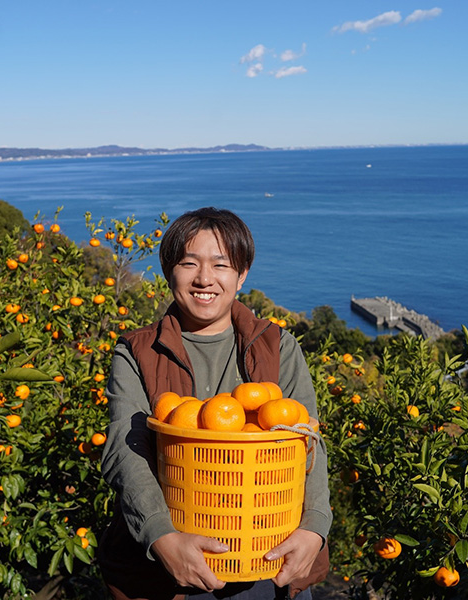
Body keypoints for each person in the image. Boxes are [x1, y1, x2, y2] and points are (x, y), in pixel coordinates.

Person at [99, 207, 331, 600]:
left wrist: (314, 528)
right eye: (189, 263)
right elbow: (126, 451)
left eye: (220, 265)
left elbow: (309, 441)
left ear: (241, 275)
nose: (204, 278)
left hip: (269, 559)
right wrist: (162, 538)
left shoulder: (277, 347)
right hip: (171, 573)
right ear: (168, 270)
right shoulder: (136, 352)